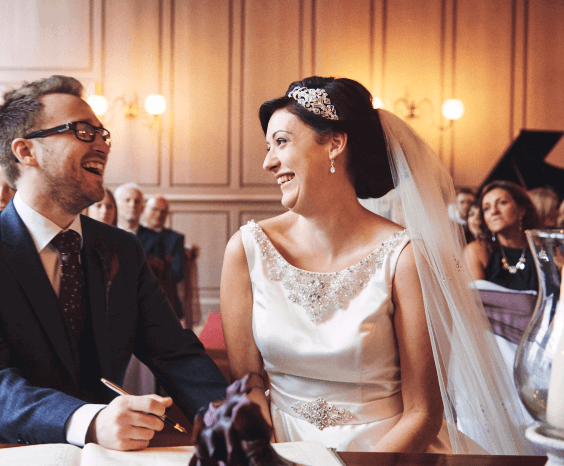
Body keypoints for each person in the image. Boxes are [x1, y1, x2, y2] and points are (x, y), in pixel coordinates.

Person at [220, 76, 530, 455]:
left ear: (335, 142)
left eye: (281, 142)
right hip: (281, 450)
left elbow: (424, 412)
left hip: (387, 452)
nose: (268, 162)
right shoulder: (246, 250)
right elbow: (248, 382)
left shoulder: (404, 258)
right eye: (268, 147)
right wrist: (267, 452)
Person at [0, 75, 227, 448]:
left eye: (103, 133)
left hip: (98, 455)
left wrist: (230, 417)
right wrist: (89, 421)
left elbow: (177, 355)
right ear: (26, 151)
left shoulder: (123, 249)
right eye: (83, 131)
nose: (102, 143)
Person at [463, 180, 540, 292]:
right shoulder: (477, 251)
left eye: (502, 202)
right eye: (486, 208)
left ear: (521, 209)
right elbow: (476, 303)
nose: (494, 211)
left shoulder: (542, 250)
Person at [142, 196, 186, 287]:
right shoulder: (133, 234)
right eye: (154, 209)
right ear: (144, 209)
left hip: (165, 292)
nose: (159, 214)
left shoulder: (176, 238)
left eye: (163, 211)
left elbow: (177, 273)